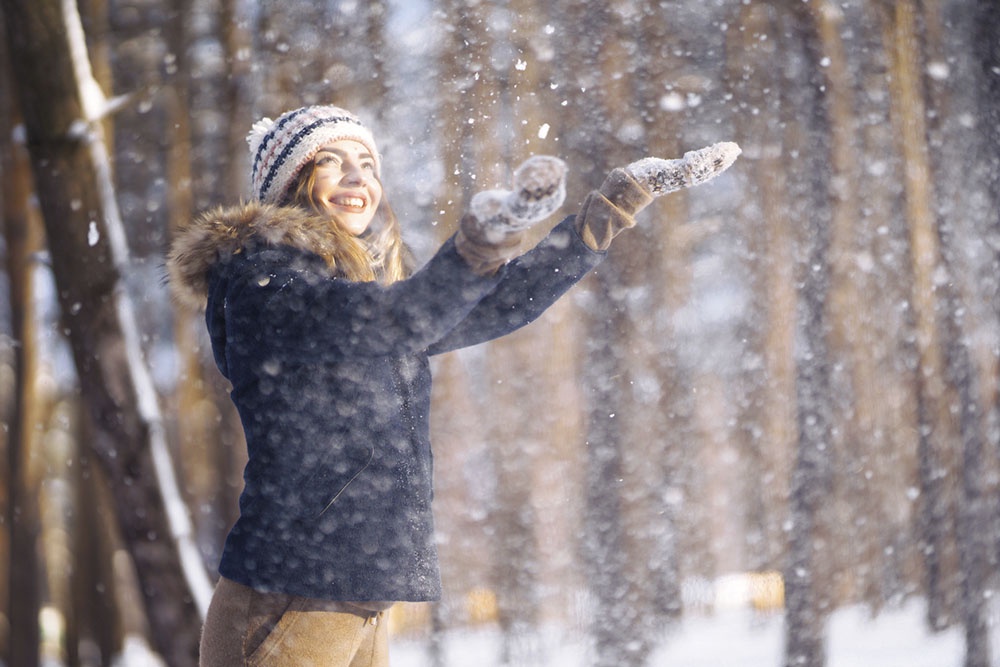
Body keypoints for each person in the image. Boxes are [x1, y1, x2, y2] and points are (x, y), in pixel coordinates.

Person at [167, 104, 739, 667]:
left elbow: (496, 303)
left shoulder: (359, 293)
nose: (356, 177)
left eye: (367, 163)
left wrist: (611, 207)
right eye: (330, 161)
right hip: (289, 596)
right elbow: (398, 318)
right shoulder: (267, 286)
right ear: (291, 184)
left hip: (351, 592)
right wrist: (477, 245)